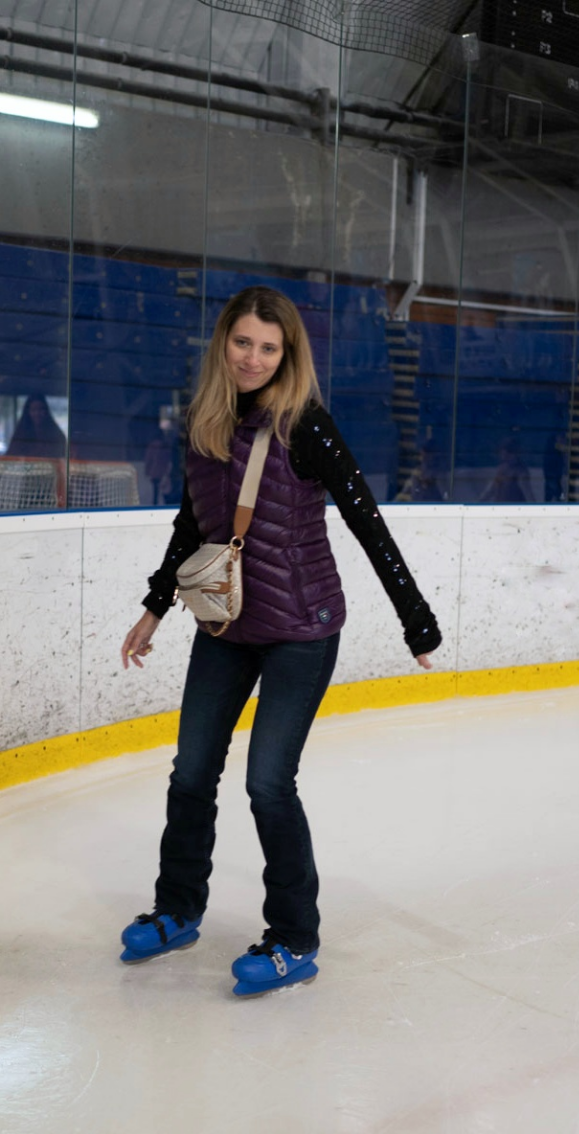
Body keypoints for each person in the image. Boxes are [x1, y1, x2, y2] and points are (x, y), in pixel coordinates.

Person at [117, 286, 441, 996]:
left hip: (301, 628)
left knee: (267, 782)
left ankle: (293, 938)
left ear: (286, 354)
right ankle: (177, 909)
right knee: (191, 772)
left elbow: (366, 520)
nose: (254, 358)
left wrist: (414, 617)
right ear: (223, 344)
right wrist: (154, 609)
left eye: (269, 347)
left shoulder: (307, 426)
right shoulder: (203, 422)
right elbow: (192, 525)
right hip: (225, 625)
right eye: (243, 343)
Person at [8, 392, 65, 459]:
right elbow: (12, 457)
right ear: (28, 412)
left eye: (41, 409)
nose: (37, 413)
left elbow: (61, 456)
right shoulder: (20, 434)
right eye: (33, 409)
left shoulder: (56, 434)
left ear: (46, 411)